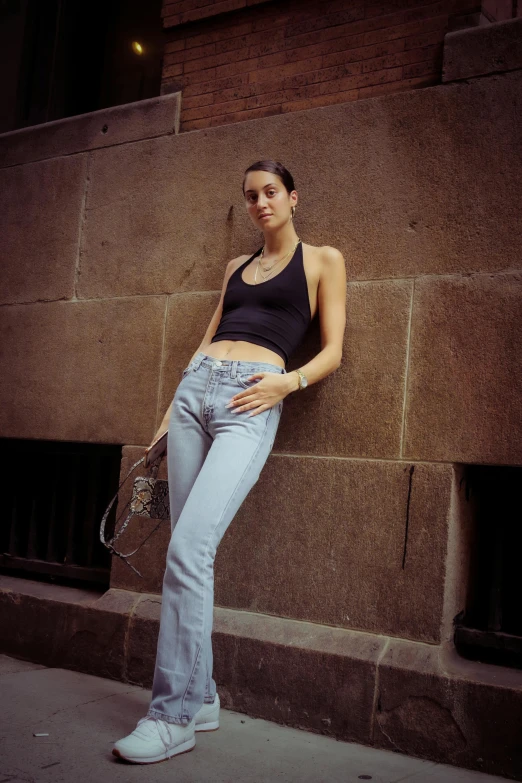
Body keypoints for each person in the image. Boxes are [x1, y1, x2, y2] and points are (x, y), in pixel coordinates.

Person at [112, 160, 346, 764]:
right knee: (188, 555)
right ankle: (203, 695)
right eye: (250, 196)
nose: (260, 203)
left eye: (271, 192)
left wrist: (284, 384)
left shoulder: (323, 260)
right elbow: (208, 333)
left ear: (293, 197)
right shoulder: (234, 269)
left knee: (190, 550)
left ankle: (172, 716)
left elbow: (334, 351)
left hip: (253, 396)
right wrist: (169, 412)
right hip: (196, 392)